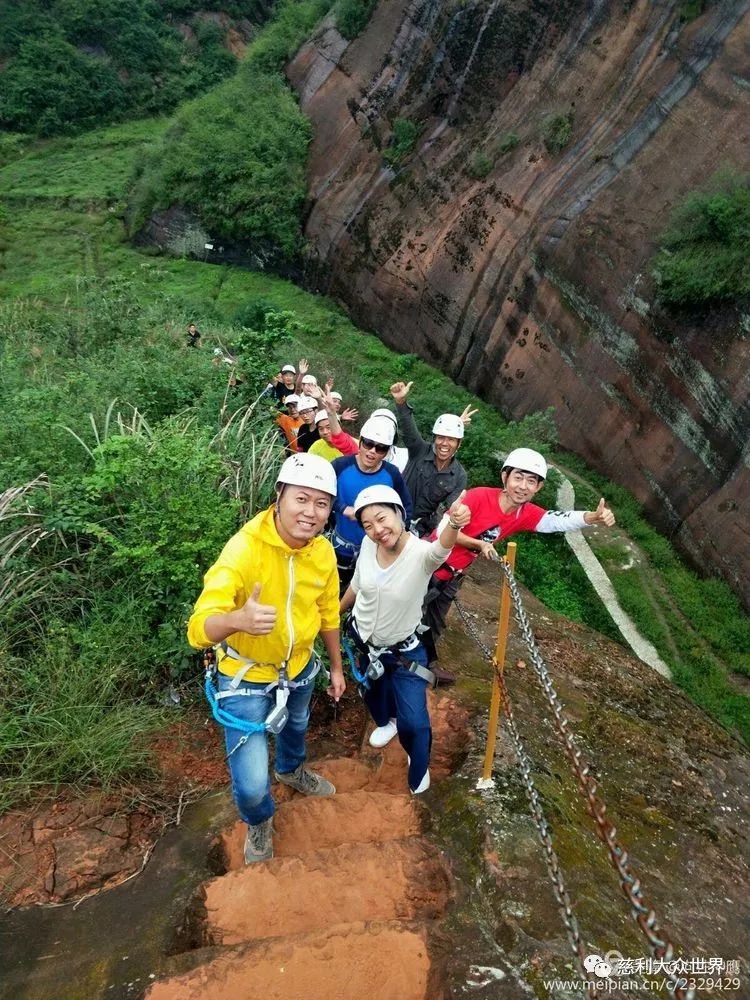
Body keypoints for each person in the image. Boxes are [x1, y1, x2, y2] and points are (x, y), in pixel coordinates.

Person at [187, 453, 345, 864]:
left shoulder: (323, 553)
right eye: (302, 499)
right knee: (253, 783)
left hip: (300, 669)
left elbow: (328, 611)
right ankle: (259, 820)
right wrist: (237, 619)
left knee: (297, 724)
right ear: (279, 496)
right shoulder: (244, 550)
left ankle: (291, 770)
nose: (311, 513)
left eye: (322, 503)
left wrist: (337, 666)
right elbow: (197, 628)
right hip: (246, 677)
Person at [421, 447, 616, 664]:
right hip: (427, 565)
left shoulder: (524, 514)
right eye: (518, 477)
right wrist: (479, 544)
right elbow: (442, 533)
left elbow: (555, 520)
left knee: (433, 624)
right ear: (505, 476)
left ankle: (422, 665)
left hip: (451, 577)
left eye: (531, 481)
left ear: (538, 487)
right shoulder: (478, 497)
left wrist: (591, 517)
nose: (523, 486)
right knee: (404, 615)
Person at [339, 486, 471, 793]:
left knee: (415, 721)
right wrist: (335, 612)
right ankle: (388, 722)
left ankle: (417, 762)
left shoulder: (420, 555)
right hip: (365, 645)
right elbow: (358, 585)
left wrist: (453, 523)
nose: (377, 530)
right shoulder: (368, 547)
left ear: (399, 513)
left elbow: (441, 549)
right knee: (374, 696)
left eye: (382, 519)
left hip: (404, 653)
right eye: (368, 525)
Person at [331, 418, 413, 592]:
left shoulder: (391, 474)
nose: (372, 451)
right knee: (332, 587)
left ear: (387, 451)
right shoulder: (341, 465)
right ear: (360, 442)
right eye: (368, 444)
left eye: (381, 448)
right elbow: (322, 494)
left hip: (376, 549)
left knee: (363, 591)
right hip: (341, 544)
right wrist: (343, 508)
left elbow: (405, 506)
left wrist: (399, 533)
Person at [390, 381, 472, 536]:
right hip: (393, 514)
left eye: (451, 439)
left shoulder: (459, 475)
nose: (445, 444)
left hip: (419, 528)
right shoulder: (419, 450)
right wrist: (401, 402)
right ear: (435, 438)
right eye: (441, 437)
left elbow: (452, 505)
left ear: (459, 444)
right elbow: (409, 427)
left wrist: (457, 511)